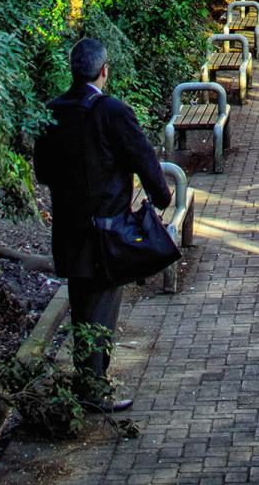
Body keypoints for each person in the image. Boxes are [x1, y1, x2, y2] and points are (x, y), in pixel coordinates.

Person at [33, 38, 172, 412]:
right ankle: (93, 392)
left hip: (67, 230)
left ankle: (88, 386)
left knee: (83, 305)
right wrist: (162, 199)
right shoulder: (112, 111)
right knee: (101, 311)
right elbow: (144, 159)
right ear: (104, 70)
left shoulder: (52, 111)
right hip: (107, 234)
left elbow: (42, 171)